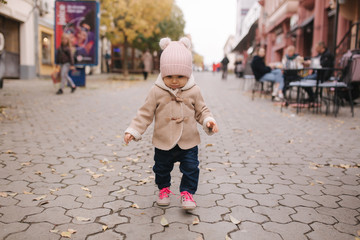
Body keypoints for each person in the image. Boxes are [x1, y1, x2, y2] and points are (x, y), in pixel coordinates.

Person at [124, 37, 218, 211]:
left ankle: (187, 193)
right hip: (163, 140)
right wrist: (134, 130)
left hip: (188, 140)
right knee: (161, 168)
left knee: (191, 168)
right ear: (162, 74)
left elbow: (202, 110)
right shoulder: (156, 91)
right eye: (169, 76)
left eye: (180, 76)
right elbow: (145, 113)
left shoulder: (194, 90)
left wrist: (208, 121)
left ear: (188, 73)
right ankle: (164, 189)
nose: (175, 81)